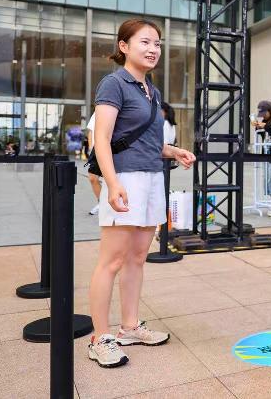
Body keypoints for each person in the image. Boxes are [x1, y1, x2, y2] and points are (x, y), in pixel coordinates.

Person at [88, 18, 196, 368]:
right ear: (124, 46)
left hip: (152, 178)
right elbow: (102, 139)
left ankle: (130, 327)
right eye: (145, 42)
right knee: (112, 261)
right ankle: (99, 338)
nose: (153, 49)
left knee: (137, 258)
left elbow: (150, 142)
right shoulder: (113, 83)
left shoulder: (152, 90)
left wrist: (174, 151)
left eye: (157, 44)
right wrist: (112, 182)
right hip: (126, 178)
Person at [85, 112, 101, 216]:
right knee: (92, 178)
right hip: (96, 150)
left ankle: (106, 205)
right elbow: (91, 131)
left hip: (110, 149)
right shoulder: (97, 111)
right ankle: (102, 203)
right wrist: (91, 148)